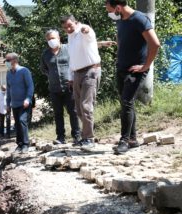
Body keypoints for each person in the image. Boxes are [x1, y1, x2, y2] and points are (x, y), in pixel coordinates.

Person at [105, 0, 160, 154]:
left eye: (109, 9)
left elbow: (155, 44)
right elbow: (122, 39)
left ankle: (124, 141)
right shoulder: (121, 20)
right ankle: (133, 139)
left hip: (135, 70)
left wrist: (145, 66)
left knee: (127, 102)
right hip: (121, 68)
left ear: (118, 7)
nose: (108, 12)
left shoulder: (139, 18)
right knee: (125, 103)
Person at [61, 15, 101, 150]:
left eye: (70, 25)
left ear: (75, 22)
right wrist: (71, 77)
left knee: (86, 106)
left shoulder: (83, 30)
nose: (68, 28)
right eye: (65, 27)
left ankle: (89, 139)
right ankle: (85, 136)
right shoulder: (70, 36)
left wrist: (86, 30)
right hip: (77, 73)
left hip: (90, 70)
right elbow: (72, 58)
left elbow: (88, 33)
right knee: (78, 108)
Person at [40, 29, 81, 145]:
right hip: (54, 89)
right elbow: (44, 69)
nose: (51, 41)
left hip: (70, 87)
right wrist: (52, 76)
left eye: (53, 38)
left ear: (59, 38)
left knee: (73, 112)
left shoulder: (68, 49)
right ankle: (60, 137)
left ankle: (77, 136)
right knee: (58, 113)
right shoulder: (45, 54)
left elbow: (76, 62)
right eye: (49, 39)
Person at [5, 53, 34, 153]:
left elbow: (30, 86)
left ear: (15, 60)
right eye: (6, 60)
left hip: (24, 103)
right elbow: (8, 90)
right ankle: (19, 144)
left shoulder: (24, 71)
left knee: (22, 121)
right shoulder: (8, 74)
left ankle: (26, 144)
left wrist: (28, 99)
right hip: (14, 104)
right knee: (17, 123)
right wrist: (8, 104)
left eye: (8, 60)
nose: (6, 62)